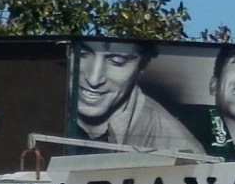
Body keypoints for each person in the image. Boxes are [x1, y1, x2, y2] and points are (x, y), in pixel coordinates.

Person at [72, 41, 206, 155]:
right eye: (82, 54)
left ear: (142, 64)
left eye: (116, 62)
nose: (93, 79)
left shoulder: (180, 148)